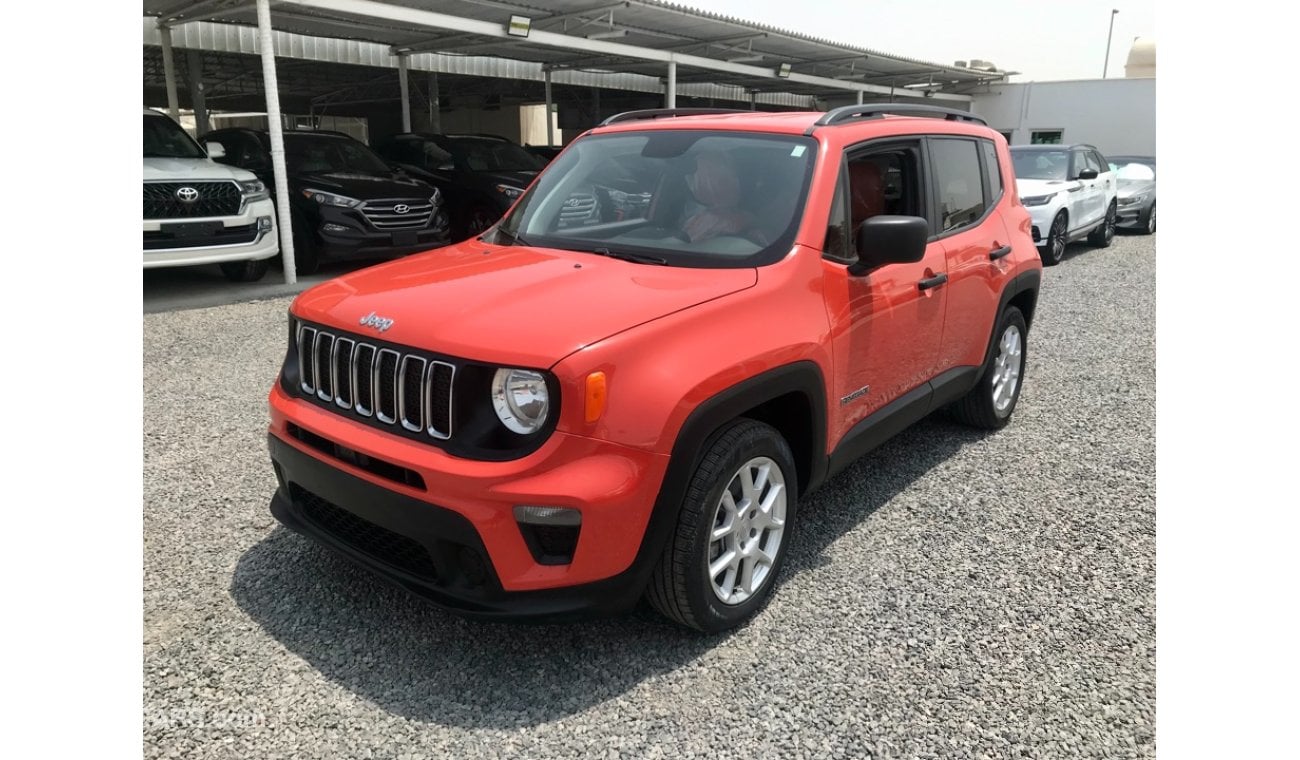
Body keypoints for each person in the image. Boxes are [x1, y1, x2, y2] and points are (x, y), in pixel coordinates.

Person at [681, 150, 757, 243]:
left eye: (722, 180)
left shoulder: (753, 215)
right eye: (704, 178)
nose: (710, 184)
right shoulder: (689, 216)